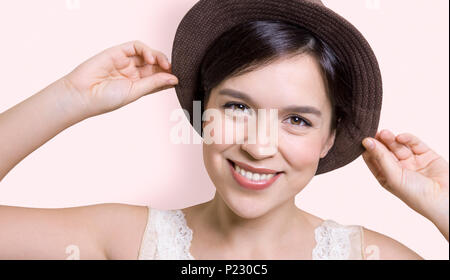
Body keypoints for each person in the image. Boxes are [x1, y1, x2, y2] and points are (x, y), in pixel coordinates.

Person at [0, 29, 448, 259]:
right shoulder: (125, 239)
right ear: (203, 113)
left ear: (330, 135)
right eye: (237, 108)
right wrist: (69, 98)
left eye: (296, 119)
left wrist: (442, 205)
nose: (258, 147)